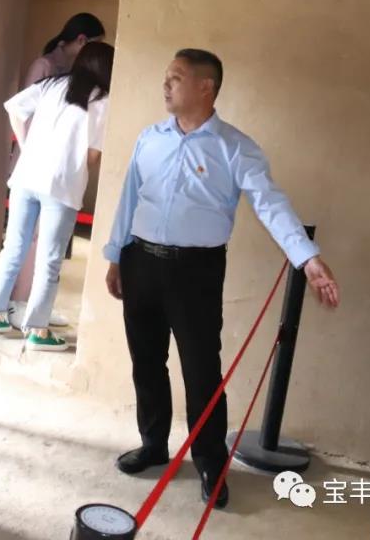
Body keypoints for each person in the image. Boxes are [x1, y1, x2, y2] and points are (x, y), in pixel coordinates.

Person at [102, 48, 341, 508]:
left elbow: (270, 204)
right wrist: (115, 257)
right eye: (167, 76)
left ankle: (211, 462)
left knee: (201, 371)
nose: (165, 84)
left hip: (196, 272)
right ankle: (153, 445)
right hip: (141, 262)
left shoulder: (236, 147)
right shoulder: (150, 138)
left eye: (175, 77)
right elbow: (130, 198)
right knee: (146, 361)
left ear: (205, 87)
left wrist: (308, 259)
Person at [0, 42, 115, 352]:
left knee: (13, 247)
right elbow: (93, 156)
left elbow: (14, 108)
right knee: (49, 259)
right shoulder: (102, 99)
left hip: (26, 176)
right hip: (61, 186)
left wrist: (27, 145)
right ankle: (37, 330)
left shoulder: (52, 84)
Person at [10, 12, 107, 328]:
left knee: (49, 247)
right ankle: (19, 305)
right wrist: (29, 148)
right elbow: (22, 112)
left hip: (56, 170)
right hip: (37, 168)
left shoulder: (71, 74)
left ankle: (36, 306)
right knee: (29, 243)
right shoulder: (45, 67)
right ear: (81, 40)